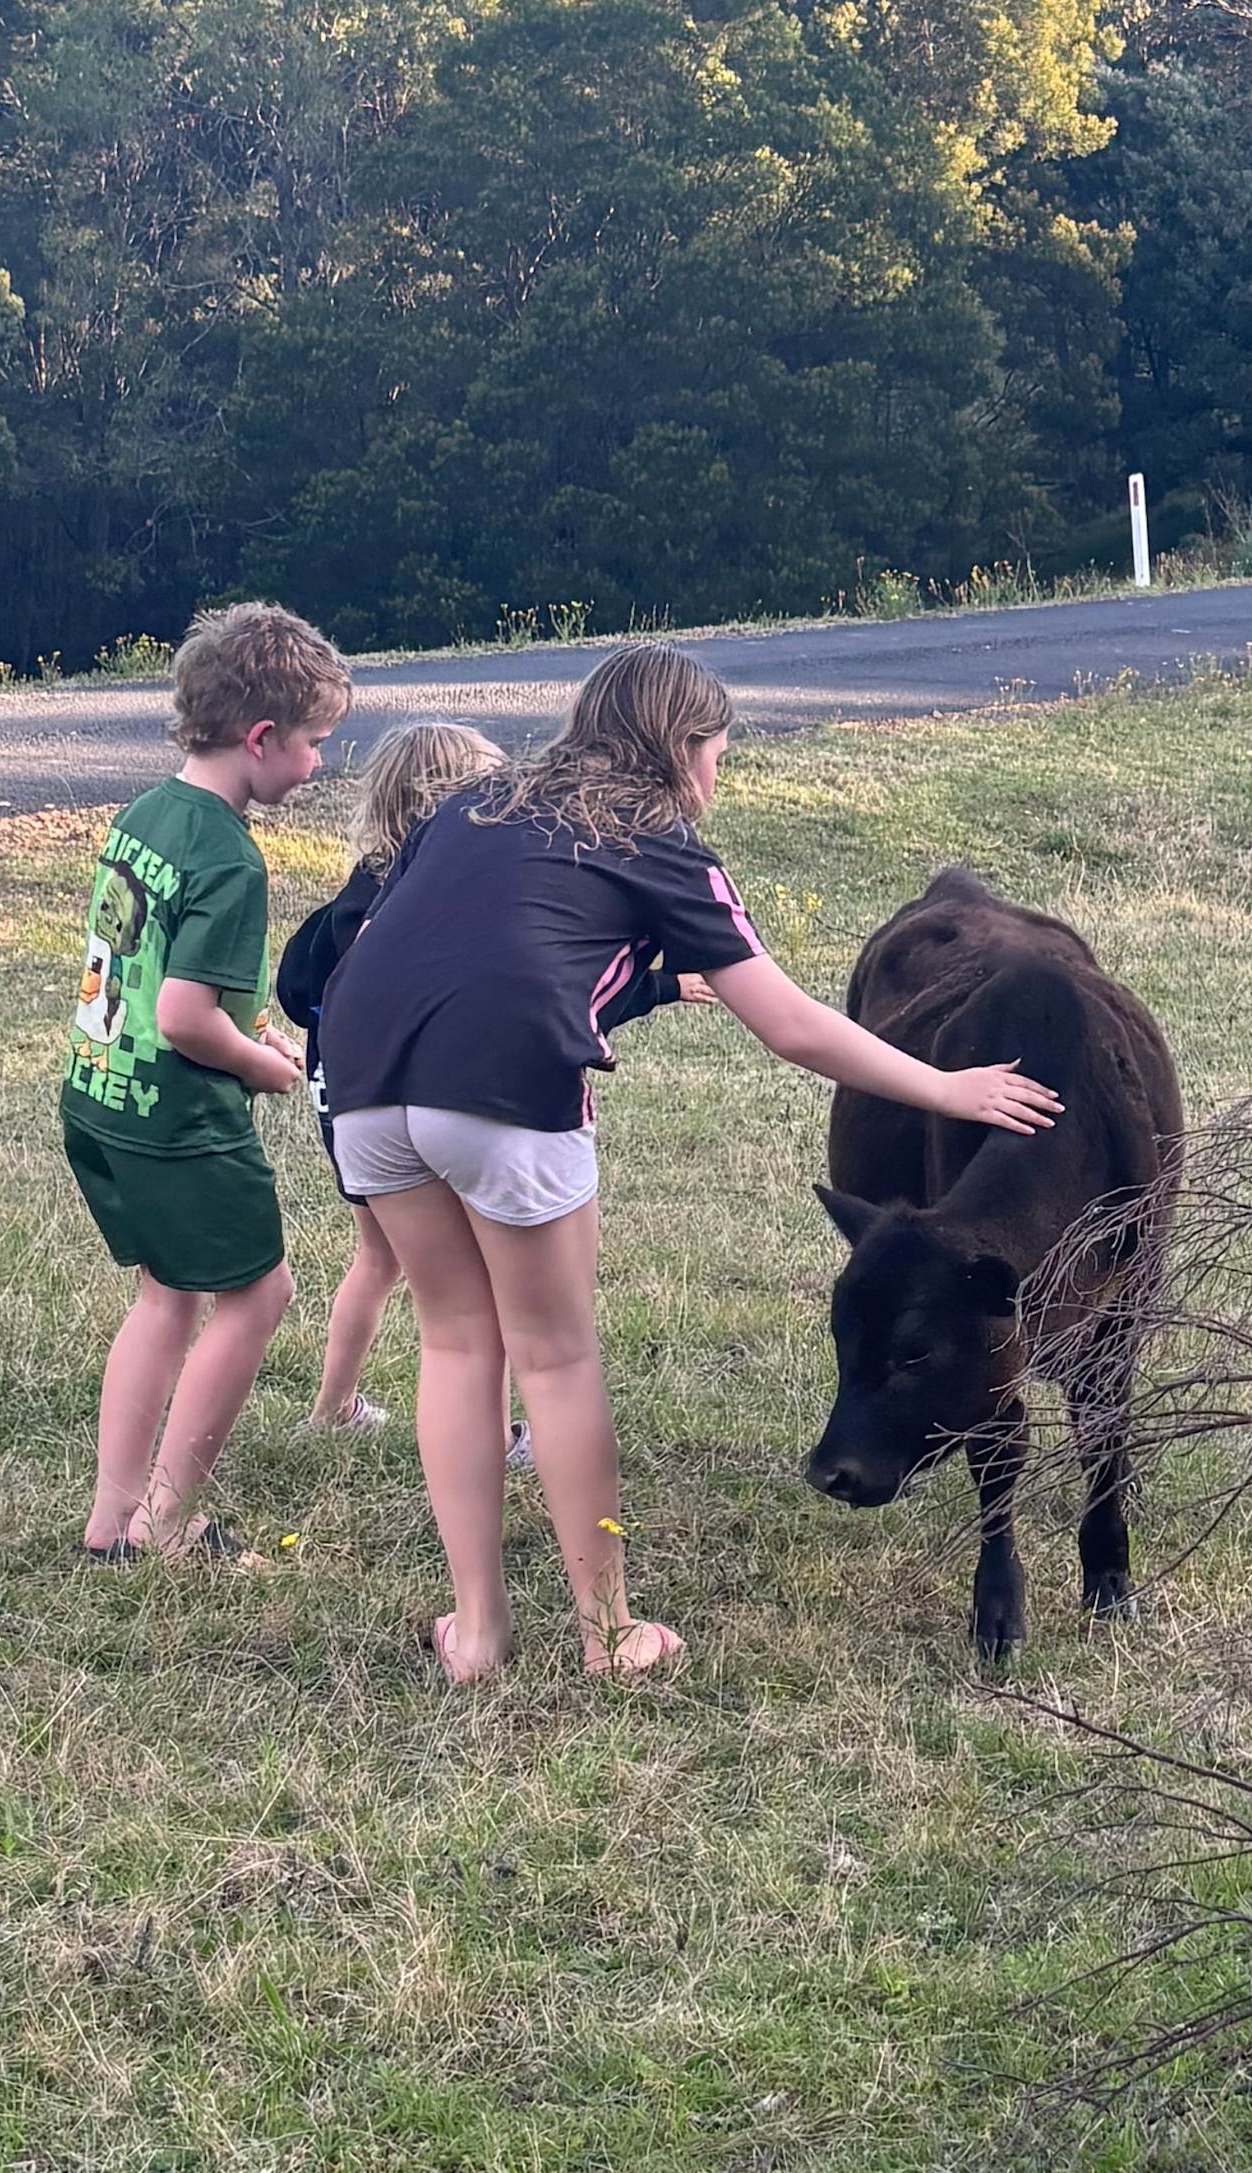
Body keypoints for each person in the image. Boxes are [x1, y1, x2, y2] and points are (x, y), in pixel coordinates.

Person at [314, 640, 1064, 1683]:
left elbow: (451, 937)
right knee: (557, 1355)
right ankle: (609, 1632)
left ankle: (477, 1633)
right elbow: (792, 1024)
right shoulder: (657, 838)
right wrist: (948, 1086)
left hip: (356, 1075)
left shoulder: (472, 803)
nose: (716, 774)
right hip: (497, 1083)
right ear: (676, 745)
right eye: (715, 750)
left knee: (453, 1341)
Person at [61, 596, 354, 1558]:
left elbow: (145, 973)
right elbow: (188, 1020)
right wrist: (263, 1069)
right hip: (176, 1120)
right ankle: (166, 1521)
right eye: (313, 743)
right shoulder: (232, 856)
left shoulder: (148, 810)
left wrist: (248, 1031)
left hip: (101, 1096)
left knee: (165, 1294)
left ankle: (111, 1520)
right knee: (258, 1298)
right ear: (260, 737)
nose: (318, 765)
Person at [277, 717, 509, 1436]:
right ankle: (494, 1437)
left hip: (342, 1101)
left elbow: (300, 990)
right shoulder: (432, 898)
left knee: (376, 1257)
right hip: (410, 1100)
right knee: (479, 1276)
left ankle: (333, 1408)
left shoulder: (353, 896)